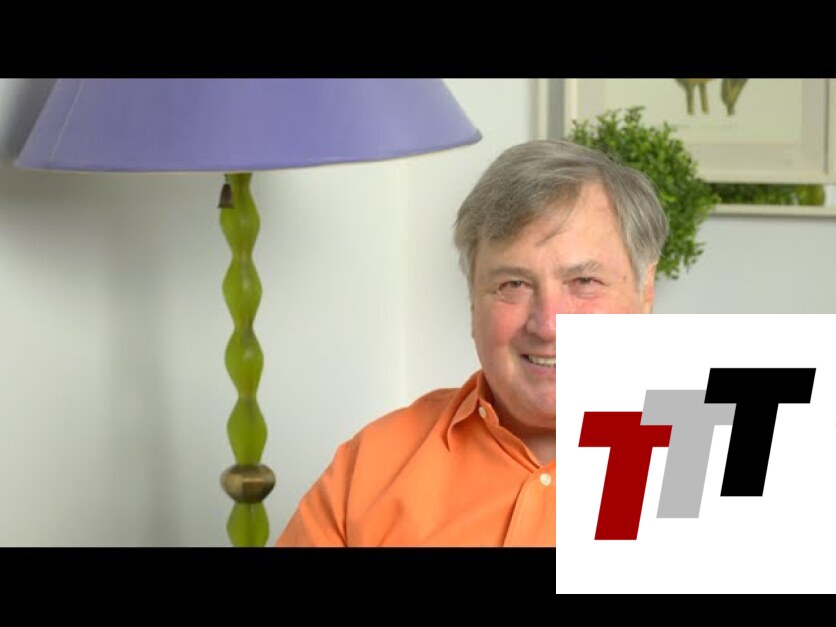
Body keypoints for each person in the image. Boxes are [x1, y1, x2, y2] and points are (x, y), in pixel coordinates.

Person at [276, 139, 669, 547]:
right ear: (473, 301)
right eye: (513, 284)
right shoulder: (373, 465)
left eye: (584, 281)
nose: (548, 325)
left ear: (645, 290)